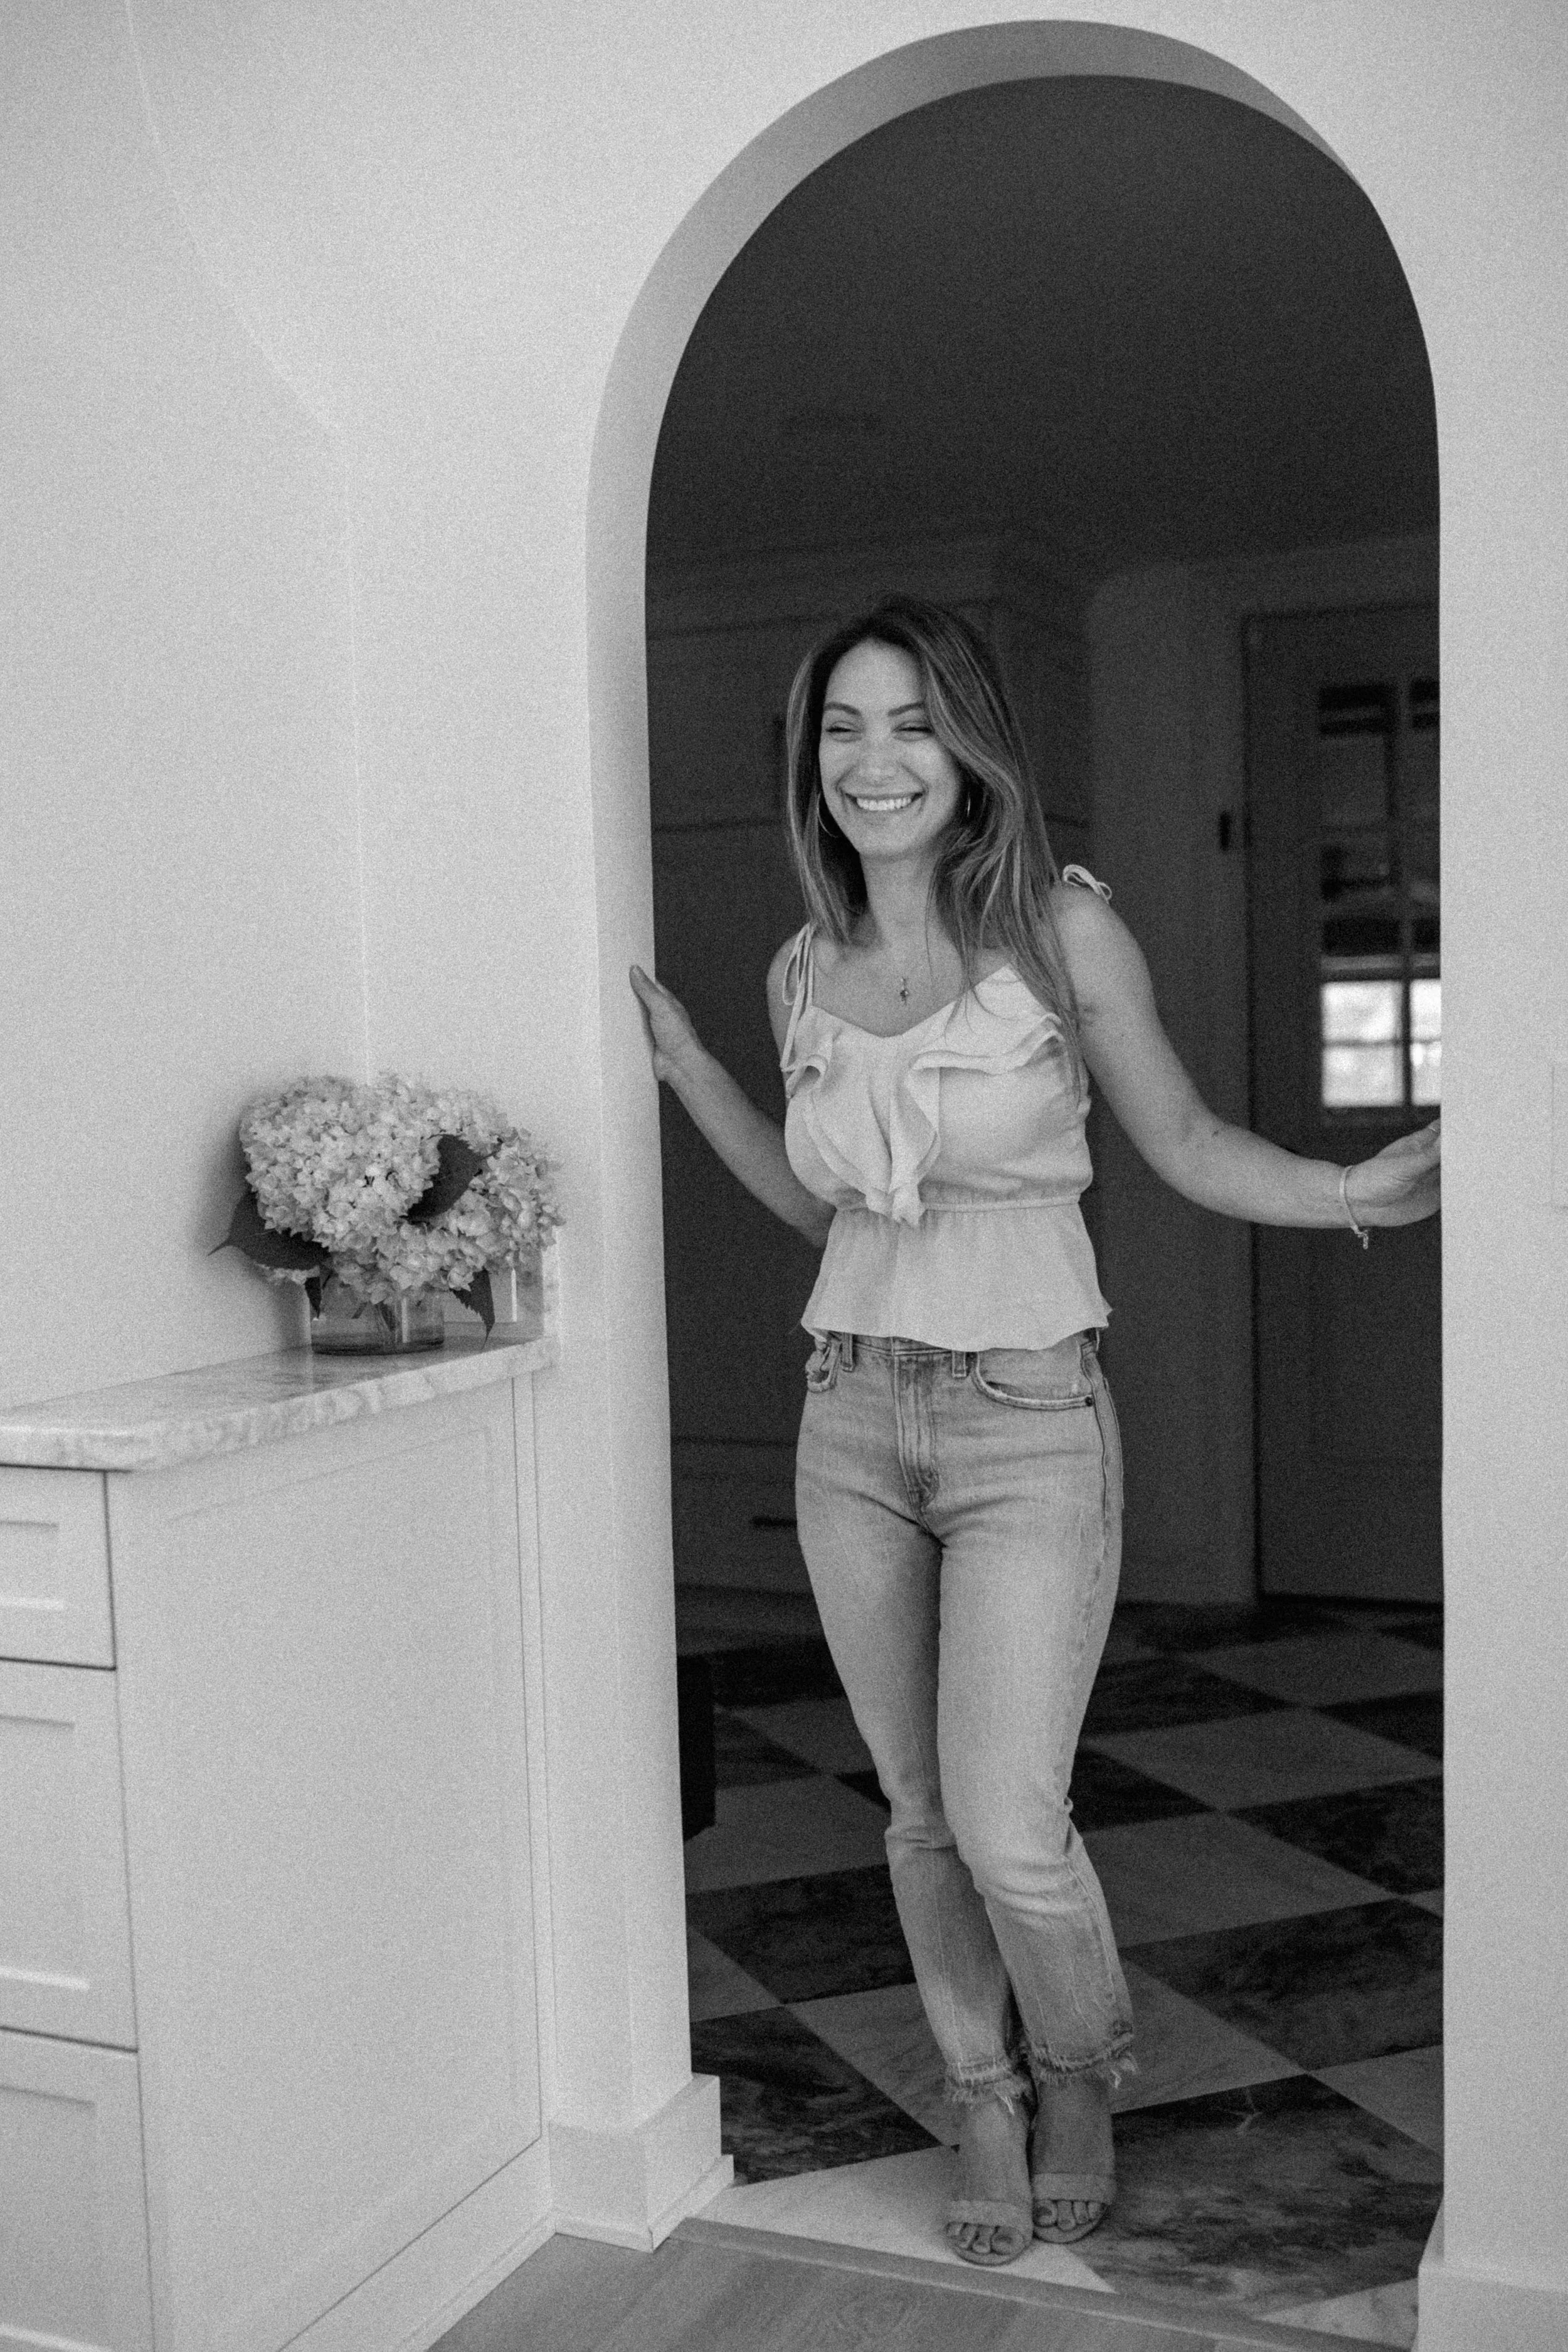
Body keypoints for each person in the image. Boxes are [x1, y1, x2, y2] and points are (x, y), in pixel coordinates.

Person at [629, 594, 1440, 2268]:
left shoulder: (1061, 934)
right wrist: (702, 1071)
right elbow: (823, 1209)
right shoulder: (804, 964)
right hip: (846, 1410)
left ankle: (1081, 2063)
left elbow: (1188, 1135)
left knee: (1009, 1818)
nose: (872, 759)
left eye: (908, 720)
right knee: (916, 1814)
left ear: (969, 742)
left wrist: (1348, 1188)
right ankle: (979, 2091)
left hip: (1026, 1421)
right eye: (841, 728)